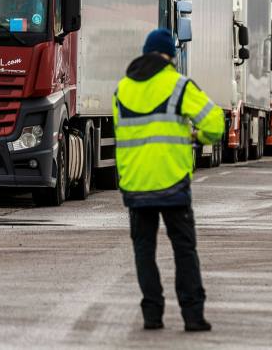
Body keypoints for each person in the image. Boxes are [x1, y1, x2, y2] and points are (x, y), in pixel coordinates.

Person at [113, 28, 224, 332]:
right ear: (170, 56)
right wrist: (198, 135)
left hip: (136, 185)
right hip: (173, 182)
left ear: (145, 52)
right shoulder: (179, 85)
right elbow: (215, 123)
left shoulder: (121, 89)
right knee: (184, 249)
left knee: (143, 250)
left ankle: (152, 314)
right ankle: (192, 315)